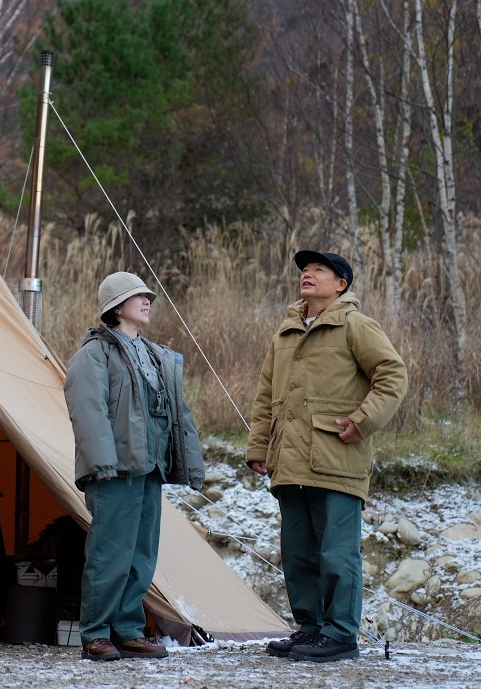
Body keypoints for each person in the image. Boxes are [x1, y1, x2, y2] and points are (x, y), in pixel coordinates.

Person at [246, 251, 407, 663]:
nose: (307, 274)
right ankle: (311, 630)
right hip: (290, 461)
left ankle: (340, 635)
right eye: (304, 269)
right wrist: (259, 447)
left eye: (319, 269)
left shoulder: (355, 325)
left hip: (337, 459)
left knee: (336, 553)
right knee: (298, 553)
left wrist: (363, 419)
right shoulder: (286, 332)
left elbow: (393, 374)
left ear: (341, 284)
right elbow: (266, 396)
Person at [64, 271, 206, 662]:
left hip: (149, 470)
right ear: (116, 307)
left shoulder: (156, 353)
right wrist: (102, 463)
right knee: (110, 553)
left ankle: (127, 631)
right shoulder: (93, 354)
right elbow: (88, 412)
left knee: (142, 554)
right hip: (113, 471)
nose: (147, 301)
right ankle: (95, 634)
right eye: (138, 296)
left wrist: (189, 465)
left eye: (148, 295)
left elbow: (179, 415)